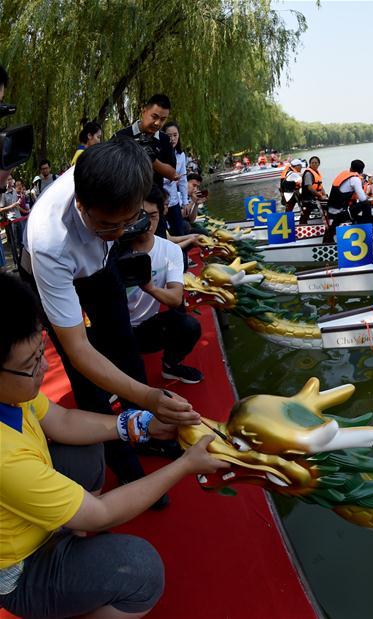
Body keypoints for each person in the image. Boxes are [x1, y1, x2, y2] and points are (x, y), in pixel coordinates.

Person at [0, 272, 227, 619]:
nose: (44, 368)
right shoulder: (4, 457)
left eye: (40, 353)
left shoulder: (12, 394)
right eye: (30, 365)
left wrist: (141, 424)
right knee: (140, 570)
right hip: (22, 570)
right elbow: (101, 512)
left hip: (33, 517)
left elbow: (62, 421)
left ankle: (70, 534)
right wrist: (185, 465)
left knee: (89, 445)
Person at [20, 140, 200, 491]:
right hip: (59, 272)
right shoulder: (50, 241)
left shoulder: (117, 176)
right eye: (106, 225)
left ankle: (146, 431)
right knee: (86, 377)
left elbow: (115, 226)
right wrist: (151, 396)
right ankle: (121, 459)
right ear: (81, 204)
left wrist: (146, 399)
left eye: (128, 221)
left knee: (125, 346)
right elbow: (79, 350)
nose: (119, 234)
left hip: (100, 268)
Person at [124, 192, 202, 383]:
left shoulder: (171, 250)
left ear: (161, 214)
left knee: (189, 326)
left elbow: (176, 298)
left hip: (147, 327)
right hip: (115, 329)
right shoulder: (113, 249)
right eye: (140, 216)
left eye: (153, 216)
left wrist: (149, 287)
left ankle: (171, 365)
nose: (148, 223)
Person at [114, 94, 179, 192]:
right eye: (154, 116)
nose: (157, 123)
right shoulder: (120, 137)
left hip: (155, 202)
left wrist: (152, 160)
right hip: (126, 199)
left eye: (163, 119)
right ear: (144, 111)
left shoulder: (165, 139)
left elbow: (172, 174)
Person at [324, 159, 373, 241]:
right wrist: (366, 197)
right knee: (366, 204)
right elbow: (362, 199)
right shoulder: (355, 179)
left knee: (358, 206)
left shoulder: (343, 175)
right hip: (339, 212)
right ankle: (367, 233)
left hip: (331, 210)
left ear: (350, 168)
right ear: (361, 171)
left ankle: (358, 227)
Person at [162, 122, 189, 236]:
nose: (172, 139)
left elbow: (183, 180)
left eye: (175, 135)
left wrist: (185, 202)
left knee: (179, 232)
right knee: (163, 234)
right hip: (161, 202)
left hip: (174, 201)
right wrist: (169, 177)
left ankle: (181, 254)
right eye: (169, 136)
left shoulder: (180, 155)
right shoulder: (159, 154)